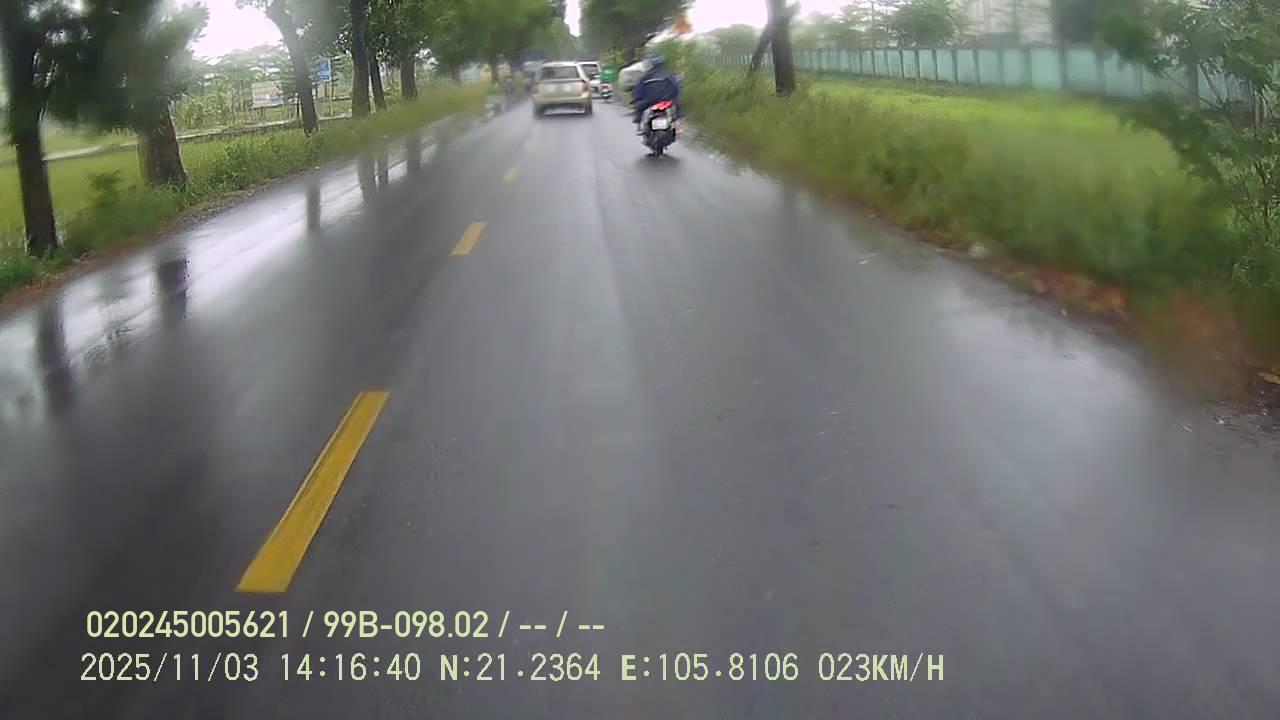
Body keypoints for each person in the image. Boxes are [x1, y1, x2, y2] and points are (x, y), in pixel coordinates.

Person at [631, 54, 681, 134]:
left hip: (649, 101)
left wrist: (637, 99)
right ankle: (678, 127)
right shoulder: (669, 74)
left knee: (639, 108)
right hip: (666, 100)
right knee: (678, 109)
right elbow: (676, 87)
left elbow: (639, 91)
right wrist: (674, 96)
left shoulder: (646, 77)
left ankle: (639, 127)